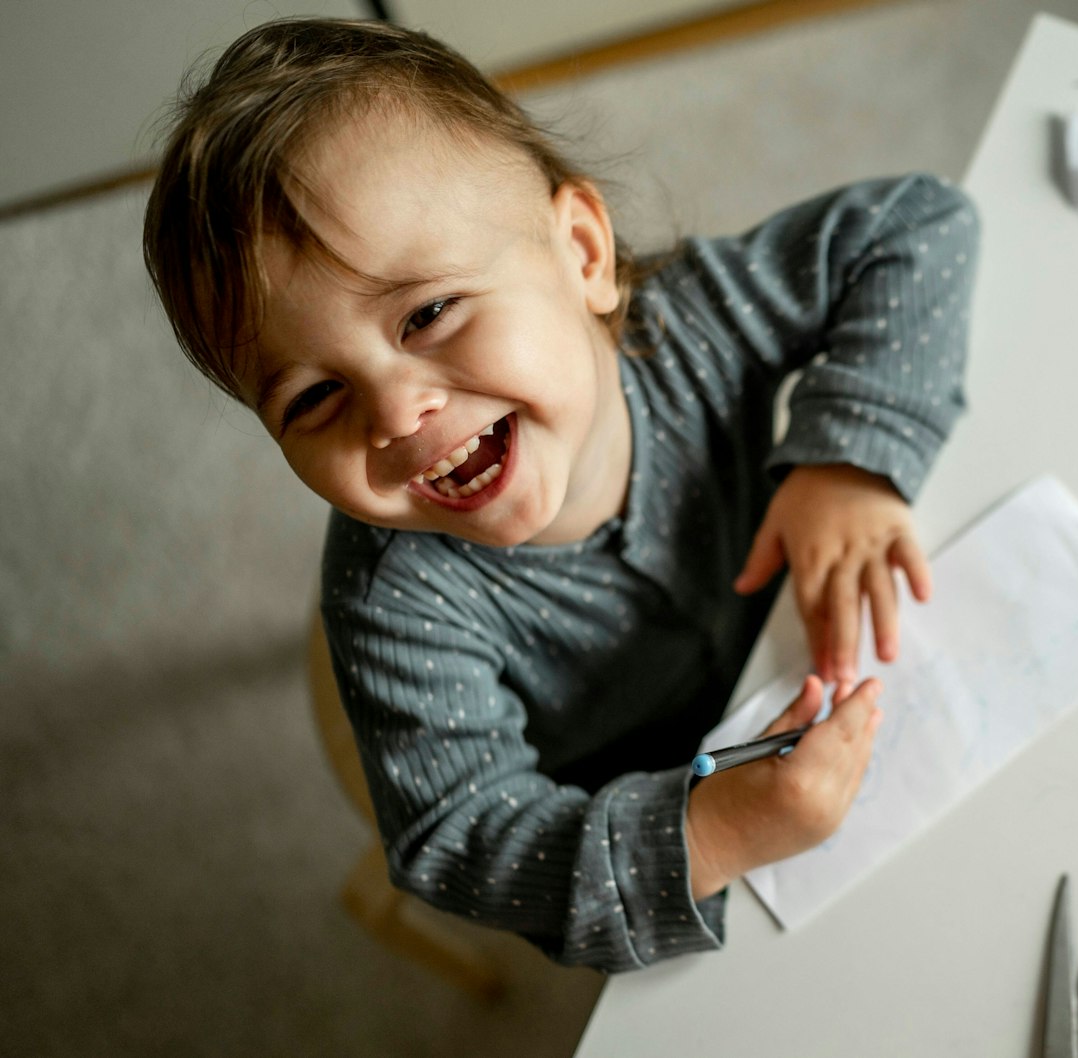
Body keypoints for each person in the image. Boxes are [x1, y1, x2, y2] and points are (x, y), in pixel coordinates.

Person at [141, 17, 976, 972]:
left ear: (581, 253)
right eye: (316, 396)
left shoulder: (701, 321)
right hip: (649, 795)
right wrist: (709, 837)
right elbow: (454, 840)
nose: (397, 414)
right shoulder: (397, 605)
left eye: (427, 313)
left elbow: (913, 227)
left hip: (824, 651)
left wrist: (851, 464)